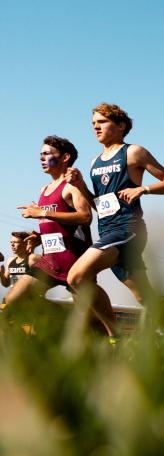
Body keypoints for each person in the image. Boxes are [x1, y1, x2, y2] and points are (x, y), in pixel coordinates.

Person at [66, 103, 164, 330]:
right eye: (93, 124)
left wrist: (143, 189)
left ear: (120, 126)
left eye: (102, 122)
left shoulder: (133, 152)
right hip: (108, 230)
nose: (96, 127)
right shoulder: (94, 161)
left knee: (76, 277)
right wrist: (80, 186)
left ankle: (114, 333)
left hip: (128, 229)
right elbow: (100, 205)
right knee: (144, 297)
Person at [8, 136, 115, 335]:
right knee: (12, 301)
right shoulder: (44, 189)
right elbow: (56, 222)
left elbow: (85, 217)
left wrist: (42, 213)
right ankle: (60, 319)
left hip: (74, 262)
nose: (42, 158)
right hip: (50, 261)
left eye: (47, 154)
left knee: (93, 324)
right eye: (41, 154)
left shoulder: (71, 185)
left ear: (65, 157)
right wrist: (40, 235)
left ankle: (117, 346)